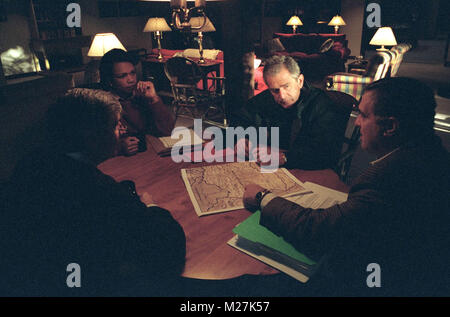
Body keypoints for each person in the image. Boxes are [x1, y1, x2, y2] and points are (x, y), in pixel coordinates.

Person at [243, 77, 450, 296]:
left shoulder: (389, 177)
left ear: (390, 126)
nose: (357, 123)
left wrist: (262, 196)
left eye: (363, 115)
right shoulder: (430, 151)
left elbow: (316, 231)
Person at [1, 89, 186, 296]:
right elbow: (170, 246)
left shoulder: (32, 160)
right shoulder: (99, 191)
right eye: (116, 124)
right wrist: (151, 206)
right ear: (92, 137)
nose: (123, 130)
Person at [233, 55, 349, 170]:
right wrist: (241, 139)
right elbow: (239, 120)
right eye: (275, 90)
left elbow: (327, 153)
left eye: (286, 86)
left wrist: (285, 157)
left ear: (300, 81)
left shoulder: (322, 105)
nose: (282, 96)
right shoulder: (265, 99)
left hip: (307, 171)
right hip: (268, 168)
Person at [99, 48, 176, 156]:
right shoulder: (103, 104)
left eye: (133, 73)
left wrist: (154, 99)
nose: (131, 80)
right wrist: (119, 147)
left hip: (151, 154)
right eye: (122, 76)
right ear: (109, 81)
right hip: (123, 161)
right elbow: (96, 145)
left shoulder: (142, 95)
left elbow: (169, 132)